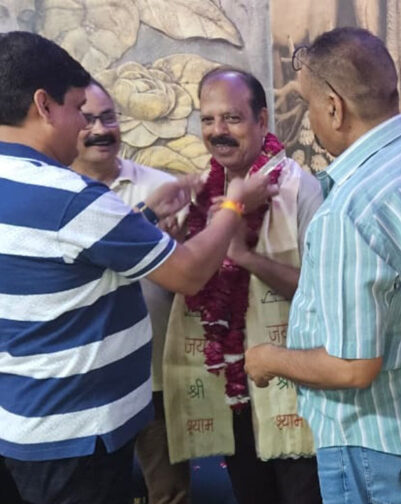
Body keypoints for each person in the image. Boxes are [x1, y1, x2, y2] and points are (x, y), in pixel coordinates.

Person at [0, 31, 274, 504]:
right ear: (44, 106)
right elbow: (188, 273)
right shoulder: (71, 198)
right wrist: (233, 205)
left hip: (25, 420)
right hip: (78, 434)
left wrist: (144, 218)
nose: (85, 127)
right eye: (78, 109)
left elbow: (70, 260)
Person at [245, 27, 401, 504]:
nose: (311, 119)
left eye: (310, 106)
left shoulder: (352, 210)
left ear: (334, 108)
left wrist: (268, 359)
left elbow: (352, 367)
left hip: (376, 439)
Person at [163, 67, 323, 504]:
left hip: (295, 386)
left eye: (232, 118)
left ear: (262, 120)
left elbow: (321, 296)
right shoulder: (201, 195)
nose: (218, 131)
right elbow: (189, 286)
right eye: (208, 119)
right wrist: (174, 244)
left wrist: (247, 257)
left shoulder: (299, 189)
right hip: (230, 385)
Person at [71, 80, 190, 504]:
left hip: (153, 371)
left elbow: (192, 279)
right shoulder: (59, 194)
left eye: (108, 118)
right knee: (95, 490)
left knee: (168, 489)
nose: (100, 130)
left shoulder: (162, 188)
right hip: (86, 379)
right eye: (87, 120)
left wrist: (179, 245)